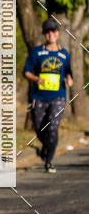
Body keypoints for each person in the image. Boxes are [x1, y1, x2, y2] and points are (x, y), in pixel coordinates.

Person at [23, 18, 73, 173]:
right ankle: (46, 146)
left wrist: (70, 79)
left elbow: (68, 71)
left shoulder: (64, 54)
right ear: (45, 34)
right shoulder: (37, 52)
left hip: (58, 97)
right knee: (39, 128)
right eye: (47, 31)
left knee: (53, 127)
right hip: (38, 97)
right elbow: (26, 72)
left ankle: (49, 160)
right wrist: (37, 79)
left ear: (57, 33)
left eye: (53, 31)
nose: (50, 34)